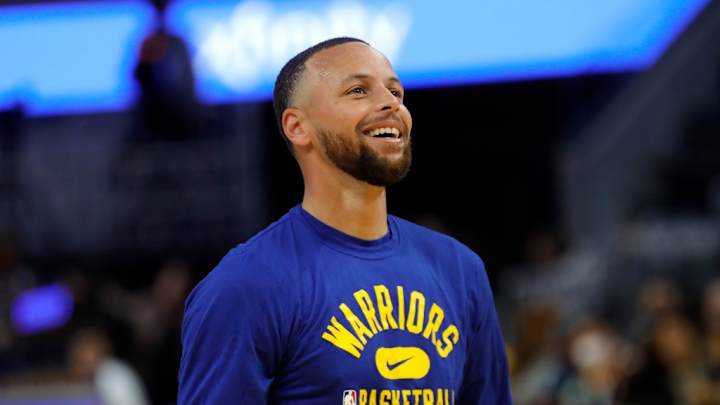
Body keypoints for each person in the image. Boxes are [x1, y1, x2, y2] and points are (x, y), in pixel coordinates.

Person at [178, 37, 512, 404]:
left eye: (396, 92)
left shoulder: (459, 269)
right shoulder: (246, 285)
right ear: (297, 127)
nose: (391, 103)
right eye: (358, 91)